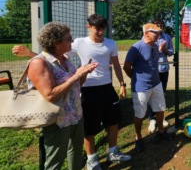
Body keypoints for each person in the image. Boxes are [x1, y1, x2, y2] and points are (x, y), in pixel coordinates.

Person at [13, 14, 132, 170]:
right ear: (88, 26)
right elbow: (48, 63)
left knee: (111, 121)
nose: (101, 32)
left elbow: (113, 66)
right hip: (73, 103)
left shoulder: (106, 45)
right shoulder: (76, 45)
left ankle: (112, 151)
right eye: (97, 28)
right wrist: (30, 54)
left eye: (104, 28)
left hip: (89, 100)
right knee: (87, 129)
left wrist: (120, 83)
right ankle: (92, 159)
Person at [26, 22, 98, 170]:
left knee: (76, 151)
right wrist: (76, 75)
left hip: (76, 114)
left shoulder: (65, 59)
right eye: (68, 38)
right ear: (55, 42)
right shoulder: (39, 62)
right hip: (57, 120)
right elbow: (50, 95)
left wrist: (83, 74)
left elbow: (76, 85)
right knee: (55, 160)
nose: (72, 41)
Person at [123, 23, 173, 153]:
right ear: (146, 33)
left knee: (160, 108)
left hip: (156, 84)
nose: (158, 35)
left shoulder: (155, 46)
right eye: (155, 33)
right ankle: (138, 137)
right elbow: (127, 67)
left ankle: (161, 131)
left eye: (158, 32)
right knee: (140, 114)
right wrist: (136, 79)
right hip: (141, 87)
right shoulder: (136, 48)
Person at [147, 18, 174, 133]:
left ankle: (161, 117)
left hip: (164, 69)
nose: (160, 28)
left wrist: (165, 50)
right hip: (152, 70)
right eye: (157, 25)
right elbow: (145, 51)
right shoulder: (148, 36)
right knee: (151, 94)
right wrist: (157, 50)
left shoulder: (167, 37)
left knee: (161, 93)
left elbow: (172, 52)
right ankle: (152, 119)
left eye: (161, 25)